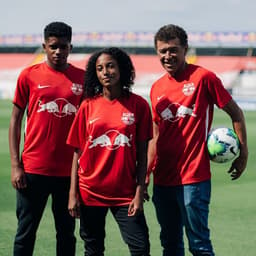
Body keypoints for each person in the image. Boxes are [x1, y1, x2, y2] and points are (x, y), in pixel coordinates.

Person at [146, 24, 248, 256]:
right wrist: (146, 173)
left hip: (194, 177)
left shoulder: (203, 78)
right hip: (163, 179)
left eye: (173, 50)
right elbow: (155, 135)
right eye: (162, 51)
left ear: (185, 49)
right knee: (170, 245)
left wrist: (243, 153)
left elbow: (236, 113)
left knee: (199, 245)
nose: (168, 56)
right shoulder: (156, 88)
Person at [67, 47, 152, 256]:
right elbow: (77, 153)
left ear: (121, 68)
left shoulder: (139, 105)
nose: (105, 72)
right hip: (90, 191)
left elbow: (142, 154)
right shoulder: (87, 106)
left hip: (125, 193)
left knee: (140, 247)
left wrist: (140, 191)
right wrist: (72, 194)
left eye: (110, 66)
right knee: (93, 249)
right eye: (100, 68)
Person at [9, 21, 85, 256]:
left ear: (70, 47)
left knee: (66, 233)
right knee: (25, 231)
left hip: (68, 172)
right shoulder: (28, 76)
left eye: (63, 46)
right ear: (44, 46)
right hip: (33, 169)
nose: (58, 51)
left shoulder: (82, 78)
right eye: (53, 46)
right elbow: (15, 120)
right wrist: (15, 165)